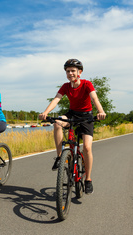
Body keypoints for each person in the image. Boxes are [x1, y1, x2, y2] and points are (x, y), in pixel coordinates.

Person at [38, 59, 106, 194]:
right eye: (68, 71)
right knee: (57, 123)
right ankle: (59, 157)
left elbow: (94, 98)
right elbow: (56, 99)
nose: (70, 73)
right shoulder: (65, 86)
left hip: (86, 116)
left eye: (73, 71)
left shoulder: (87, 84)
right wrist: (46, 112)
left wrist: (101, 111)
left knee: (87, 147)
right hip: (72, 114)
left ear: (79, 72)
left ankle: (88, 179)